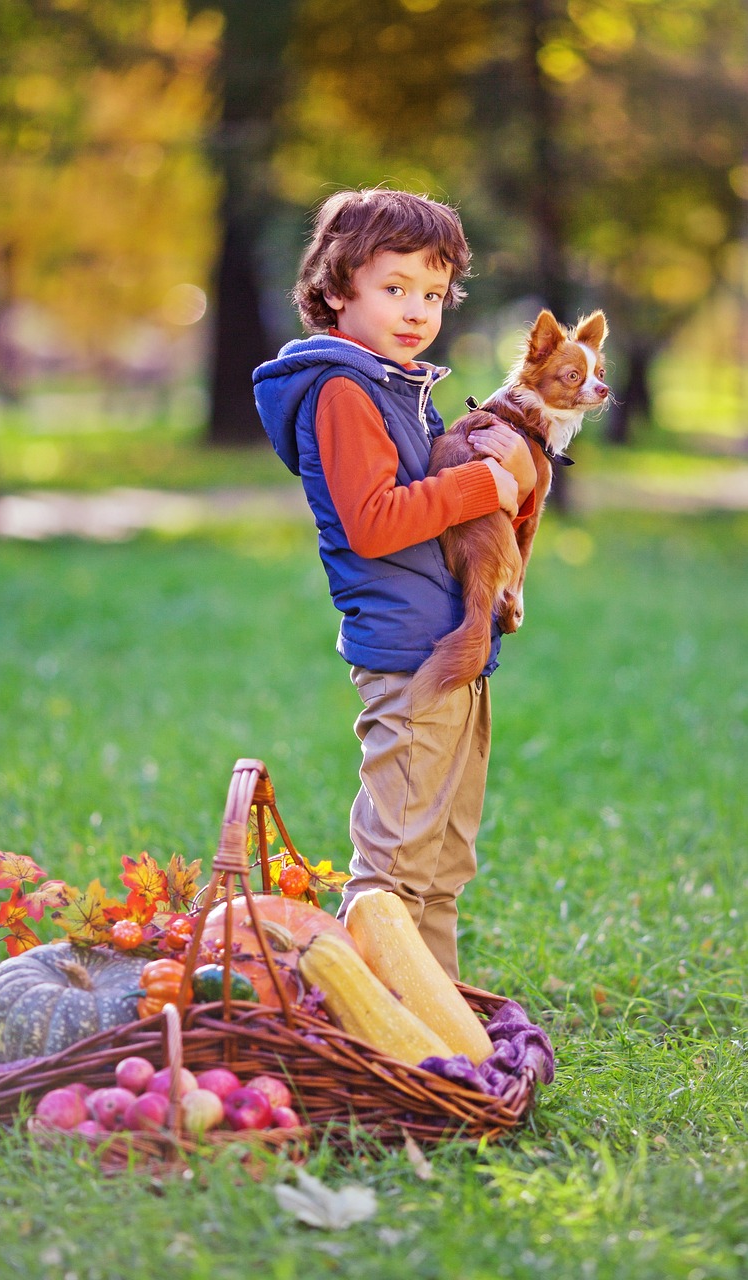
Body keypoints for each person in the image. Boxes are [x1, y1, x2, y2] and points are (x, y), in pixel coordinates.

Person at [252, 188, 537, 979]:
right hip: (409, 655)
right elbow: (374, 521)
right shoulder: (344, 391)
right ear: (336, 288)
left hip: (450, 647)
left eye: (433, 294)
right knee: (394, 871)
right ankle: (371, 1034)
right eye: (393, 288)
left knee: (442, 867)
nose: (417, 310)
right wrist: (488, 485)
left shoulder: (396, 385)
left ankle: (438, 1029)